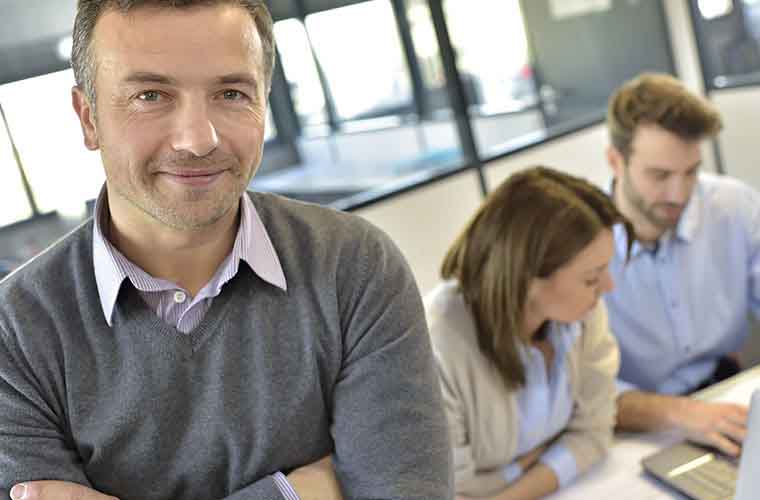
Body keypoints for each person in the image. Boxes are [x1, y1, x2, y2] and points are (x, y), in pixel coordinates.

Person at [0, 1, 452, 499]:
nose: (198, 140)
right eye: (151, 95)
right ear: (88, 119)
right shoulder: (14, 331)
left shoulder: (355, 267)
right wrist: (297, 491)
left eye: (232, 93)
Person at [602, 73, 760, 457]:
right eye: (660, 175)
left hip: (727, 399)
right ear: (615, 161)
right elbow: (579, 391)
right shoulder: (577, 243)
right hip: (632, 428)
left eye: (691, 172)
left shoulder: (733, 207)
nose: (679, 194)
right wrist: (681, 414)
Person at [426, 167, 629, 499]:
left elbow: (594, 433)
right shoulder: (434, 350)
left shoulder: (580, 312)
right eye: (591, 278)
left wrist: (513, 486)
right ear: (527, 276)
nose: (607, 287)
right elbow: (454, 490)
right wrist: (527, 464)